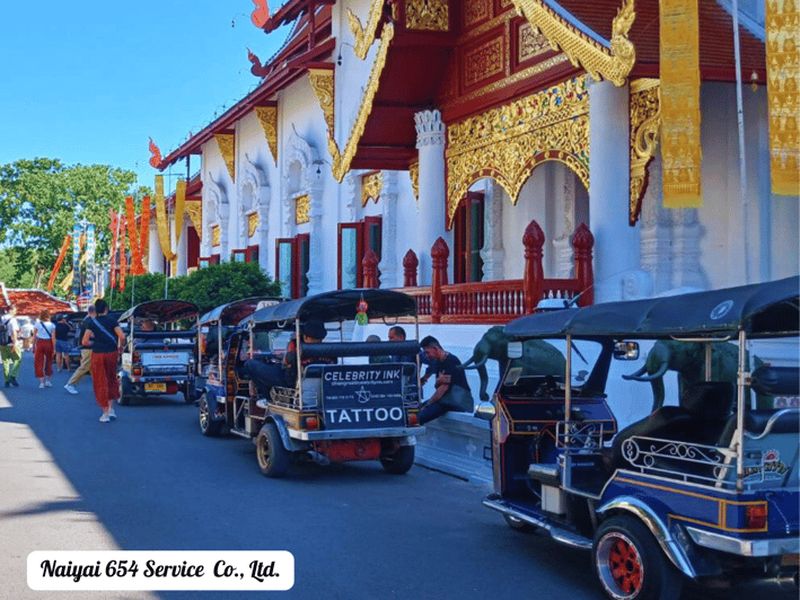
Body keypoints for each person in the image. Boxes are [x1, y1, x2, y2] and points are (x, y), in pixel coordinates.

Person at [82, 299, 125, 423]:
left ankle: (105, 413)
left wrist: (94, 343)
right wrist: (120, 347)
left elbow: (84, 341)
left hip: (98, 354)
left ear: (96, 309)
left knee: (100, 381)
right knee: (111, 378)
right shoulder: (113, 320)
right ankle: (111, 409)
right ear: (106, 308)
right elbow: (122, 336)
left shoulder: (92, 323)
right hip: (112, 353)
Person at [418, 336, 473, 424]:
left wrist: (428, 404)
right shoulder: (438, 361)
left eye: (427, 352)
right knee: (418, 408)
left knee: (420, 416)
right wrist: (426, 380)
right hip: (446, 399)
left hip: (455, 401)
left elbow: (442, 389)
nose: (426, 356)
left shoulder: (451, 361)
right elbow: (432, 374)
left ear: (435, 348)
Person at [64, 306, 96, 394]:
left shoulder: (85, 320)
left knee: (92, 368)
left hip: (85, 347)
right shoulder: (89, 322)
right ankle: (70, 384)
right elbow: (92, 335)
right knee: (85, 367)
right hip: (88, 347)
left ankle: (98, 386)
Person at [33, 311, 56, 388]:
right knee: (49, 361)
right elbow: (53, 337)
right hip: (49, 342)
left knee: (39, 361)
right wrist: (54, 347)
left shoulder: (37, 324)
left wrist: (33, 345)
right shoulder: (52, 325)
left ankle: (41, 382)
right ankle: (48, 381)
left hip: (40, 342)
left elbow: (34, 336)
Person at [1, 306, 22, 387]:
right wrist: (15, 342)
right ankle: (12, 376)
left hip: (2, 343)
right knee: (17, 359)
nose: (15, 312)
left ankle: (6, 380)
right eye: (15, 310)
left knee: (5, 362)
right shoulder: (12, 320)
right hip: (10, 342)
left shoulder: (1, 319)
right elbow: (14, 332)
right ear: (10, 310)